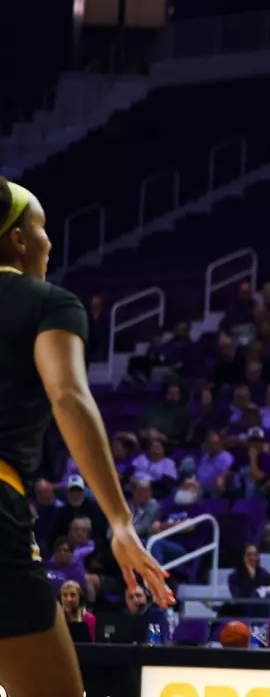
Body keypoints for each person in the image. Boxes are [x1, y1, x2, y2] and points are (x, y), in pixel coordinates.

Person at [0, 177, 173, 696]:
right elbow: (70, 397)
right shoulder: (46, 302)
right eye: (42, 226)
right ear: (18, 239)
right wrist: (120, 521)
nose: (49, 242)